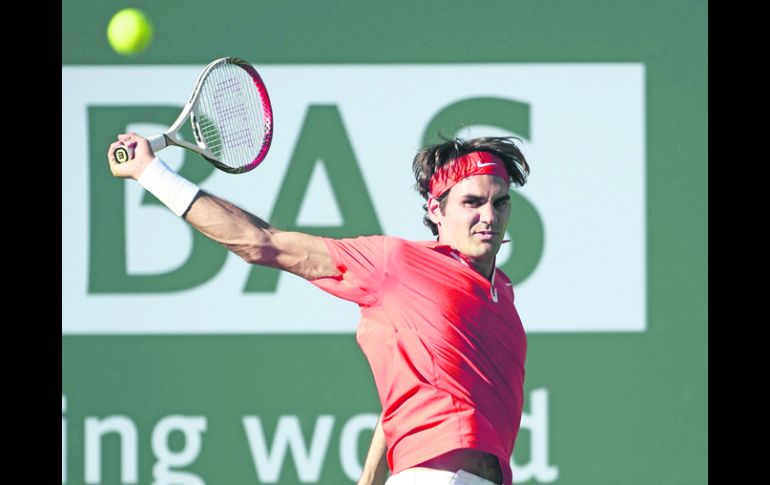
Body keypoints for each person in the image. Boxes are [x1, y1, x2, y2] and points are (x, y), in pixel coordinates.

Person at [107, 132, 530, 485]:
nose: (489, 216)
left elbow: (405, 396)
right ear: (436, 209)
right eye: (472, 203)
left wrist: (368, 480)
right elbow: (261, 242)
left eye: (500, 203)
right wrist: (151, 172)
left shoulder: (502, 293)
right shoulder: (395, 263)